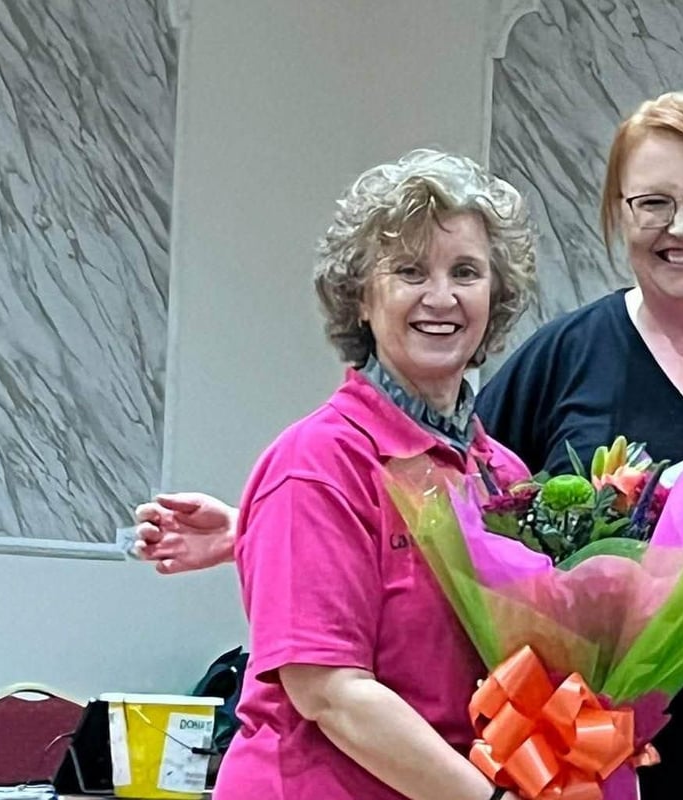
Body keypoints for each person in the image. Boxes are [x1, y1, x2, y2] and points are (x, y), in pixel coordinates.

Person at [137, 93, 683, 799]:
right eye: (652, 202)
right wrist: (259, 526)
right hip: (614, 768)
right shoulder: (564, 357)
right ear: (617, 216)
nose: (682, 226)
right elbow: (438, 525)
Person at [190, 148, 536, 800]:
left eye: (466, 272)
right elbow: (330, 694)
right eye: (410, 271)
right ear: (360, 300)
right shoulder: (315, 465)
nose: (442, 297)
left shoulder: (503, 476)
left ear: (496, 297)